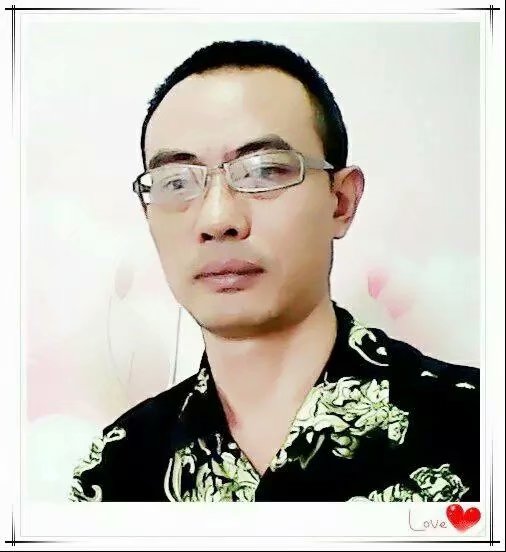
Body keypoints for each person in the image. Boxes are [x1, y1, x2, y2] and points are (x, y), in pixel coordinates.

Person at [69, 40, 479, 502]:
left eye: (263, 171)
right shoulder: (118, 468)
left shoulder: (477, 427)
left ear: (341, 202)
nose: (217, 220)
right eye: (176, 182)